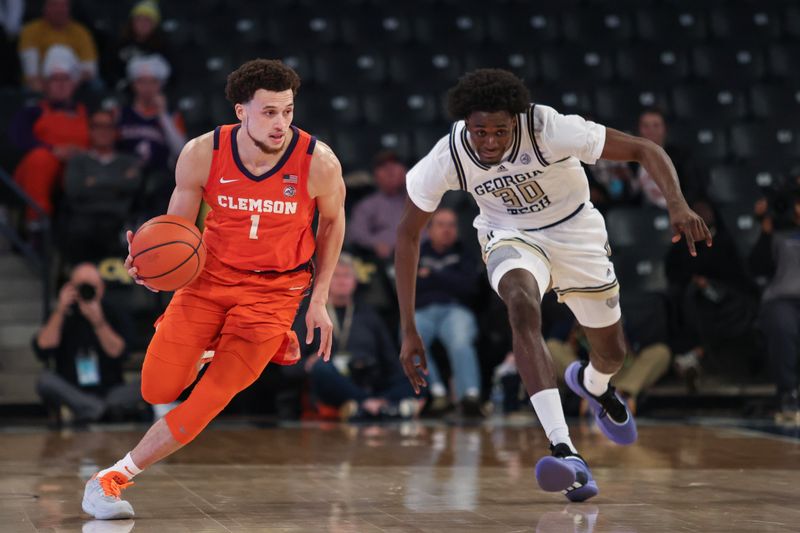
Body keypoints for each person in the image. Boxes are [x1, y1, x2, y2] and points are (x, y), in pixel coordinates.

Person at [395, 69, 711, 501]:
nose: (489, 142)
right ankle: (565, 450)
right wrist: (409, 327)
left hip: (576, 233)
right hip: (509, 236)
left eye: (500, 132)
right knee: (521, 305)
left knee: (613, 351)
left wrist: (677, 203)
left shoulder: (548, 128)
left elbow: (643, 148)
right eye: (479, 132)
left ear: (516, 121)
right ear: (465, 125)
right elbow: (408, 235)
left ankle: (595, 384)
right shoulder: (448, 155)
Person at [81, 59, 346, 519]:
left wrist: (318, 299)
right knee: (156, 388)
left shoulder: (317, 161)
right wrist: (149, 261)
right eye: (268, 112)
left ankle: (112, 477)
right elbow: (176, 230)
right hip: (210, 279)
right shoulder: (202, 152)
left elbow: (332, 223)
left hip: (275, 293)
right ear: (241, 110)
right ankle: (210, 345)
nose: (281, 123)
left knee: (210, 398)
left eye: (287, 111)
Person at [299, 254, 416, 420]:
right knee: (320, 368)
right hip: (334, 383)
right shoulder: (311, 313)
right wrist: (306, 365)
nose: (342, 281)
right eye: (336, 275)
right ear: (326, 280)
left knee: (417, 372)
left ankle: (365, 405)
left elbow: (390, 359)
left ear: (355, 281)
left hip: (368, 379)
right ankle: (381, 405)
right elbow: (290, 366)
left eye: (347, 275)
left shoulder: (369, 314)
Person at [34, 263, 138, 424]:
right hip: (73, 390)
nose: (86, 291)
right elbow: (43, 347)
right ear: (70, 287)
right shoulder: (62, 313)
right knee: (45, 380)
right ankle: (98, 409)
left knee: (143, 384)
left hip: (110, 390)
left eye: (92, 287)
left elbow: (119, 352)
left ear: (102, 288)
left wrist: (99, 323)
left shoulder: (113, 312)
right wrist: (60, 310)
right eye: (81, 286)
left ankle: (95, 409)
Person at [414, 207, 483, 417]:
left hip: (456, 309)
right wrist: (448, 278)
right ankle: (436, 393)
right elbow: (409, 287)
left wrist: (432, 275)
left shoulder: (466, 253)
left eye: (451, 225)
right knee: (412, 338)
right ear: (429, 229)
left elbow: (471, 288)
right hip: (422, 310)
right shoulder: (417, 250)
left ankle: (470, 397)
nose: (447, 230)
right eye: (441, 224)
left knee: (460, 341)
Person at [11, 44, 89, 230]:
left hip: (77, 166)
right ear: (46, 84)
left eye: (65, 79)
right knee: (40, 159)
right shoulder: (33, 110)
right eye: (55, 79)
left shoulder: (86, 111)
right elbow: (18, 137)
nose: (61, 84)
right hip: (40, 170)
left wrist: (81, 153)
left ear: (73, 83)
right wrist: (53, 149)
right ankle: (36, 223)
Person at [61, 109, 142, 264]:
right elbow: (74, 189)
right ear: (90, 130)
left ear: (115, 131)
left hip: (119, 220)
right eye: (98, 126)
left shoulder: (128, 161)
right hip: (83, 222)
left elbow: (133, 185)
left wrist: (94, 181)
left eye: (108, 127)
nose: (103, 132)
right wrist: (118, 182)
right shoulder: (78, 161)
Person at [750, 192, 800, 424]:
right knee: (782, 324)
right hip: (783, 299)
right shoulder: (778, 234)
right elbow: (757, 267)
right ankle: (788, 393)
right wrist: (766, 230)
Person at [116, 54, 186, 217]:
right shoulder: (120, 114)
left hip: (158, 177)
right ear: (134, 84)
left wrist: (162, 114)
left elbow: (181, 150)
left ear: (160, 85)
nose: (147, 87)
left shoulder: (171, 116)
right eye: (142, 82)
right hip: (124, 173)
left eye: (153, 82)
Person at [17, 0, 98, 92]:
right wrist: (52, 87)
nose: (60, 10)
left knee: (96, 84)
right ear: (45, 8)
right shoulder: (31, 31)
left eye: (64, 5)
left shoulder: (81, 32)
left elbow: (90, 69)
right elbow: (31, 72)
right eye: (54, 5)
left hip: (74, 83)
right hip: (42, 84)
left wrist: (68, 85)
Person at [631, 108, 699, 209]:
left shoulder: (681, 157)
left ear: (665, 128)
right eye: (646, 126)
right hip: (642, 213)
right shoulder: (630, 159)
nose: (651, 130)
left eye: (656, 125)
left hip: (677, 211)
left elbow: (692, 189)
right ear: (639, 129)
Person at [346, 150, 407, 260]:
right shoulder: (367, 206)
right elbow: (356, 234)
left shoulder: (419, 201)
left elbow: (433, 229)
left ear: (404, 171)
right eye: (383, 166)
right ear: (375, 175)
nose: (390, 170)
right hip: (382, 261)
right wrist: (375, 244)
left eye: (395, 164)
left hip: (421, 259)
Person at [104, 0, 171, 90]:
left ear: (155, 24)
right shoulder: (119, 43)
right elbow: (109, 69)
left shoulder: (163, 45)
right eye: (139, 19)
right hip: (125, 91)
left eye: (147, 20)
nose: (143, 24)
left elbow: (172, 74)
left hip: (155, 91)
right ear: (132, 22)